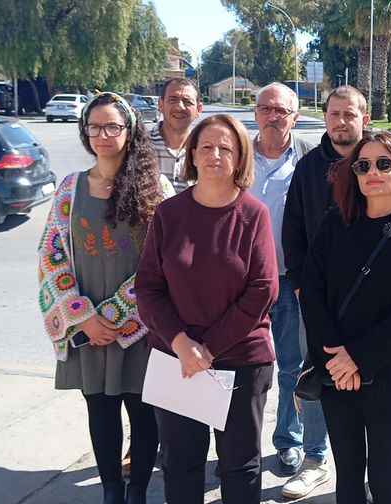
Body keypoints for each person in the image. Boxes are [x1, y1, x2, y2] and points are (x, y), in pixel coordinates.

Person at [135, 114, 279, 504]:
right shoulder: (169, 213)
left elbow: (263, 289)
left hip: (240, 361)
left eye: (226, 148)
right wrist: (183, 344)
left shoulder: (254, 215)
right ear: (193, 155)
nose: (216, 154)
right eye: (207, 147)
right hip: (175, 360)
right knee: (179, 464)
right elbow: (147, 287)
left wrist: (207, 349)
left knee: (239, 466)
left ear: (240, 157)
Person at [37, 91, 173, 504]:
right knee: (100, 411)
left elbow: (163, 261)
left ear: (129, 132)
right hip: (88, 327)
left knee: (143, 412)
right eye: (94, 126)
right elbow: (51, 257)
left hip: (140, 327)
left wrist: (116, 316)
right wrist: (83, 318)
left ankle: (137, 491)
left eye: (112, 126)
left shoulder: (156, 188)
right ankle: (111, 489)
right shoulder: (69, 188)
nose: (103, 135)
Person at [299, 131, 391, 504]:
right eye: (363, 165)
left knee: (384, 482)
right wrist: (336, 359)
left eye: (383, 164)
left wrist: (358, 357)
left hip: (390, 375)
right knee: (347, 481)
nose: (373, 172)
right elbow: (311, 294)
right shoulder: (334, 225)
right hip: (336, 376)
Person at [280, 85, 371, 499]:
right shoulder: (309, 168)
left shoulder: (380, 162)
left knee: (370, 379)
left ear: (363, 120)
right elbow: (293, 234)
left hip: (372, 301)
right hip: (316, 299)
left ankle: (370, 466)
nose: (340, 122)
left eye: (349, 115)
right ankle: (315, 458)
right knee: (315, 374)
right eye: (334, 114)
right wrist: (300, 287)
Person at [246, 82, 316, 477]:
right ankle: (238, 444)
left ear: (294, 115)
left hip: (290, 281)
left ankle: (289, 441)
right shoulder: (237, 154)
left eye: (282, 110)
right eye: (266, 109)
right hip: (242, 282)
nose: (273, 116)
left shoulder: (307, 156)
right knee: (237, 367)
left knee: (292, 366)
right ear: (256, 113)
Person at [149, 77, 203, 190]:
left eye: (187, 102)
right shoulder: (138, 146)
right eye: (173, 100)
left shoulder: (206, 149)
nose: (180, 107)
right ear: (160, 105)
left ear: (198, 109)